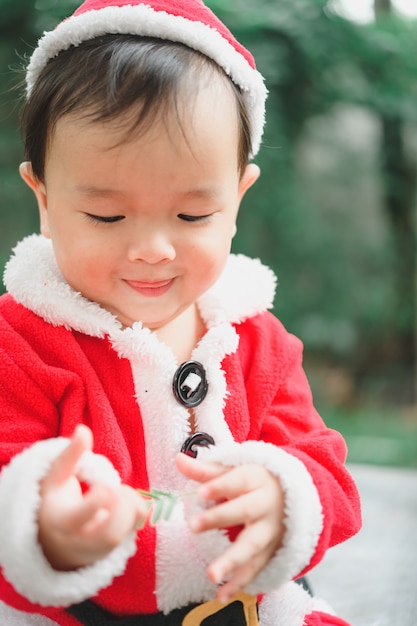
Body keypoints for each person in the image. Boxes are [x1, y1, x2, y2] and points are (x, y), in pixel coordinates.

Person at [0, 0, 361, 624]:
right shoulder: (24, 342)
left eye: (193, 215)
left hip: (246, 605)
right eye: (106, 216)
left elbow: (323, 466)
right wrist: (44, 527)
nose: (152, 249)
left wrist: (285, 499)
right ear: (45, 198)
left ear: (238, 198)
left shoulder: (257, 340)